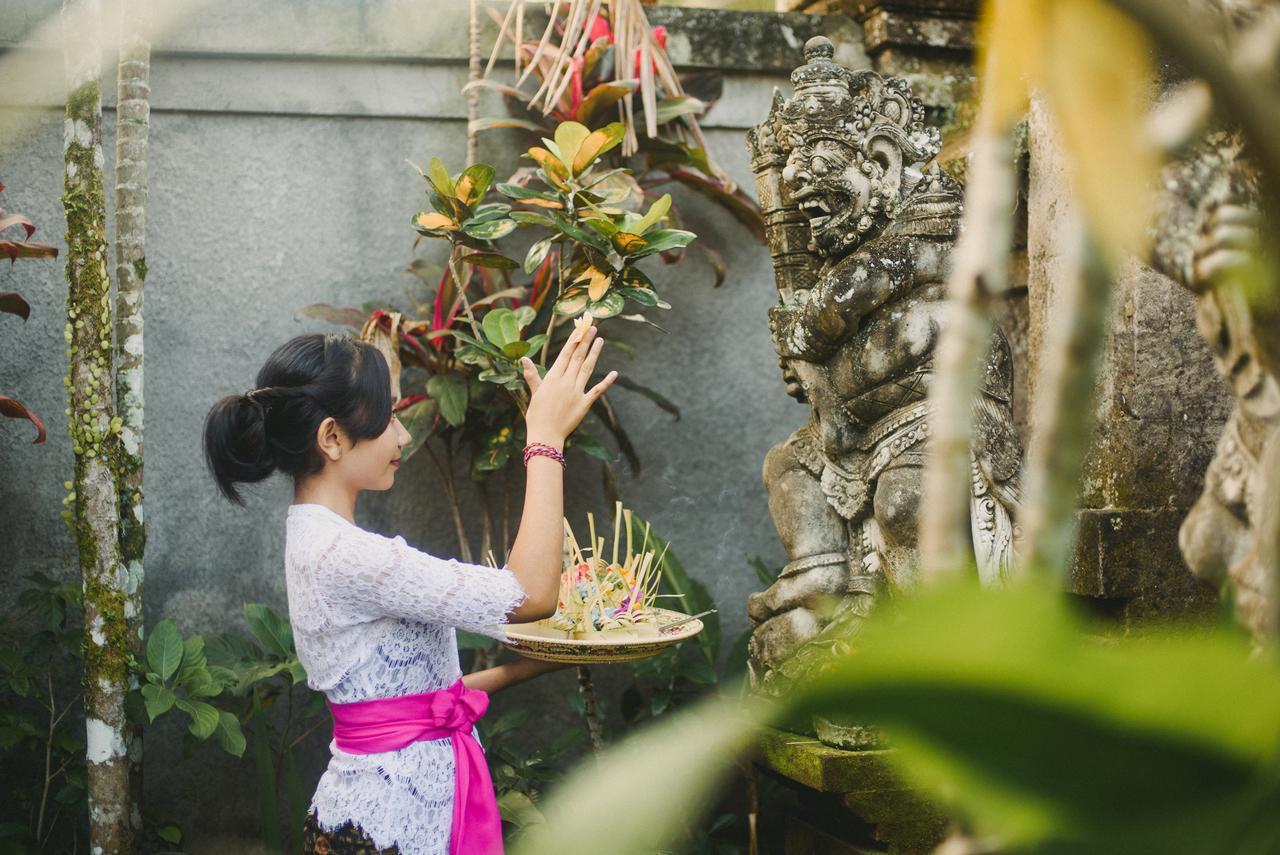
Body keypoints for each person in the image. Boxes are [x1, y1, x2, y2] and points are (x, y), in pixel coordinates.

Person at [203, 323, 616, 855]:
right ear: (331, 438)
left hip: (382, 817)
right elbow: (531, 593)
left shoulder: (314, 537)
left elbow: (414, 705)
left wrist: (549, 657)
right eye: (387, 418)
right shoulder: (349, 557)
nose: (402, 435)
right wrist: (544, 439)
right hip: (390, 827)